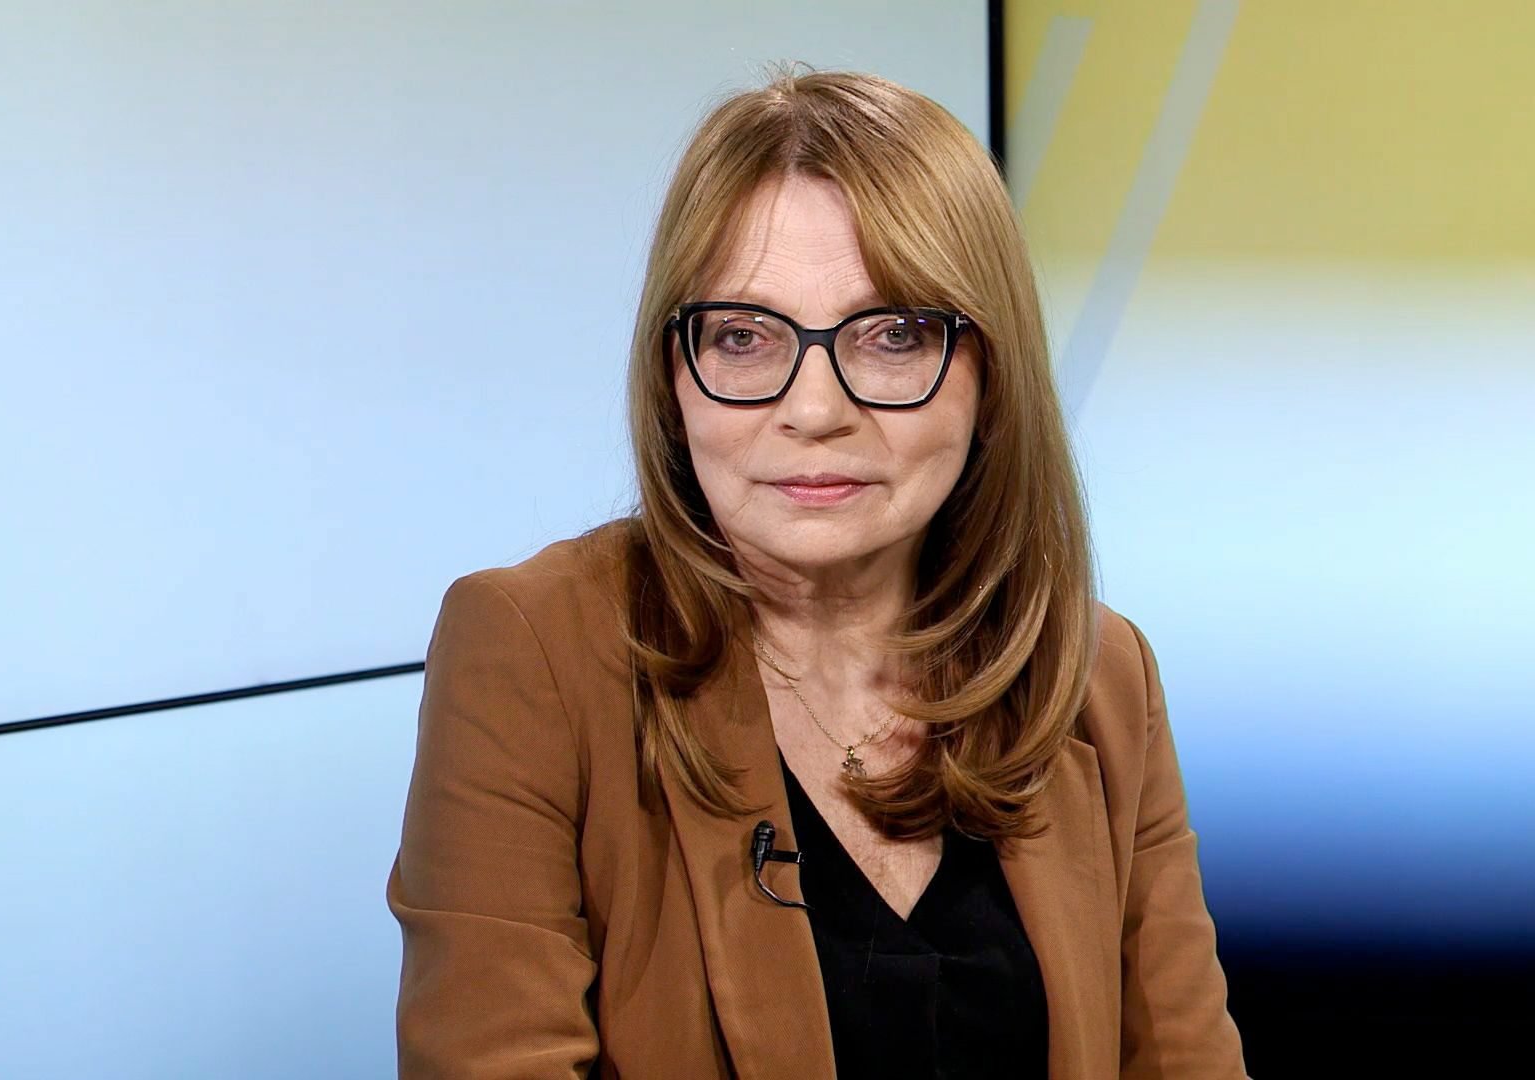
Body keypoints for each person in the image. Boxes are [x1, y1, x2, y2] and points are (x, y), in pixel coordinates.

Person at [388, 67, 1247, 1079]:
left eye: (893, 335)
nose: (813, 410)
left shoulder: (1097, 672)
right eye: (743, 338)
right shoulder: (530, 653)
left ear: (992, 375)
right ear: (672, 377)